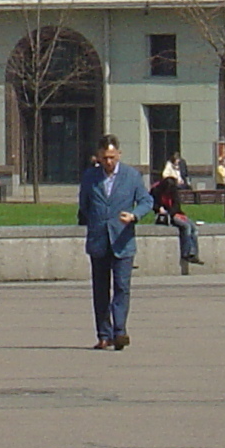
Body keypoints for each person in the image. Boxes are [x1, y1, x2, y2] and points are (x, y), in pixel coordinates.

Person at [77, 134, 153, 351]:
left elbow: (147, 200)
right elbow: (84, 204)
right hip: (99, 240)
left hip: (122, 240)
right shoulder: (90, 177)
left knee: (121, 287)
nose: (108, 162)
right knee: (100, 290)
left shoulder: (131, 176)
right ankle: (103, 334)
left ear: (119, 154)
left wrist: (134, 215)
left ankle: (120, 331)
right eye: (104, 158)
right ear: (98, 157)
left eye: (112, 157)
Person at [151, 166, 202, 265]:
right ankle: (186, 253)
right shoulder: (156, 191)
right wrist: (159, 208)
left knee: (193, 228)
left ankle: (194, 253)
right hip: (165, 216)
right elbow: (152, 203)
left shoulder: (173, 192)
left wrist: (173, 213)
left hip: (174, 213)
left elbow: (176, 205)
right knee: (186, 227)